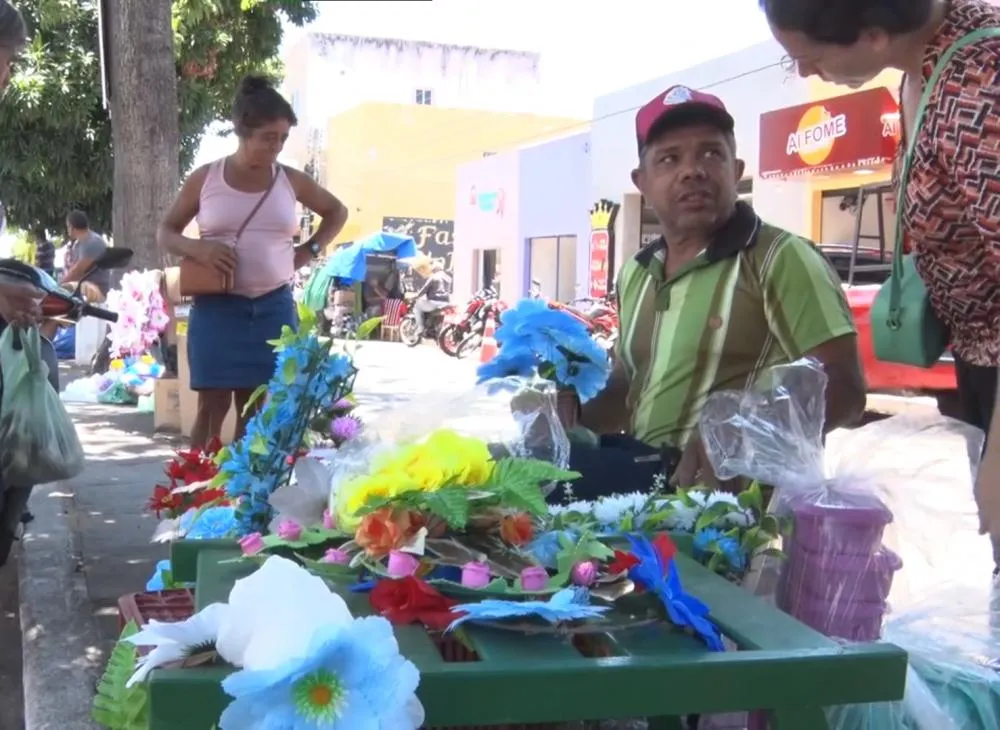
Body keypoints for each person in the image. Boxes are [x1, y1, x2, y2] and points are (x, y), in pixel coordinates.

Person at [759, 0, 1000, 551]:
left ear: (872, 34)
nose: (804, 71)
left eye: (811, 56)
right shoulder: (921, 69)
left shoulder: (980, 83)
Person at [580, 85, 866, 490]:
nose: (692, 170)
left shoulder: (780, 258)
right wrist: (568, 412)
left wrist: (743, 434)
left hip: (744, 515)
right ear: (641, 182)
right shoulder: (635, 273)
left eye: (711, 153)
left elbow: (846, 390)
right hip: (643, 503)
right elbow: (629, 386)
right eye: (669, 158)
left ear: (736, 170)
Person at [157, 75, 348, 447]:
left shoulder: (291, 180)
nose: (276, 147)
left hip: (273, 308)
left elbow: (336, 212)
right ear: (242, 131)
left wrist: (308, 250)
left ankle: (244, 483)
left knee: (256, 407)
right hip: (217, 309)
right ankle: (200, 481)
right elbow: (166, 231)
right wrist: (198, 249)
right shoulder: (206, 178)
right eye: (268, 137)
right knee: (211, 407)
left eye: (283, 138)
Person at [62, 210, 110, 296]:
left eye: (67, 226)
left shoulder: (92, 242)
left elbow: (78, 271)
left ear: (71, 227)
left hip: (97, 290)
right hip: (85, 287)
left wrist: (57, 287)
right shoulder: (79, 243)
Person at [412, 260, 451, 337]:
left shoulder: (433, 277)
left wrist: (416, 296)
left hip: (434, 302)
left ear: (436, 269)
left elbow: (424, 289)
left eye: (433, 270)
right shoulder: (448, 278)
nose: (432, 271)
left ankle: (420, 328)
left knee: (417, 307)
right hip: (446, 303)